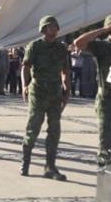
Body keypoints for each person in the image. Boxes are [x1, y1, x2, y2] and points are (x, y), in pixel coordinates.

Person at [73, 14, 111, 168]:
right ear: (110, 29)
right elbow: (78, 43)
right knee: (106, 147)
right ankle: (105, 181)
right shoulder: (102, 46)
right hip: (107, 101)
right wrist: (103, 29)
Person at [20, 15, 70, 180]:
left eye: (55, 26)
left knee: (54, 130)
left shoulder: (62, 48)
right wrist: (24, 85)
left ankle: (50, 166)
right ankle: (25, 161)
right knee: (33, 127)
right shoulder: (34, 46)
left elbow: (65, 70)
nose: (54, 29)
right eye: (50, 26)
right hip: (38, 91)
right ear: (43, 29)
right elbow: (25, 67)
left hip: (55, 93)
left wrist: (66, 87)